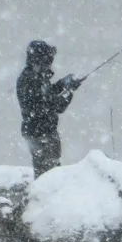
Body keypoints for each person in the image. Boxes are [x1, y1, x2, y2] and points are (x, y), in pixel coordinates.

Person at [16, 40, 82, 177]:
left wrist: (63, 84)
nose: (50, 63)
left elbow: (47, 94)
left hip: (40, 132)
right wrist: (68, 94)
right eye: (48, 60)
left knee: (48, 174)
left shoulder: (35, 77)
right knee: (49, 176)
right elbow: (50, 105)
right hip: (41, 135)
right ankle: (44, 198)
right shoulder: (30, 80)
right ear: (40, 60)